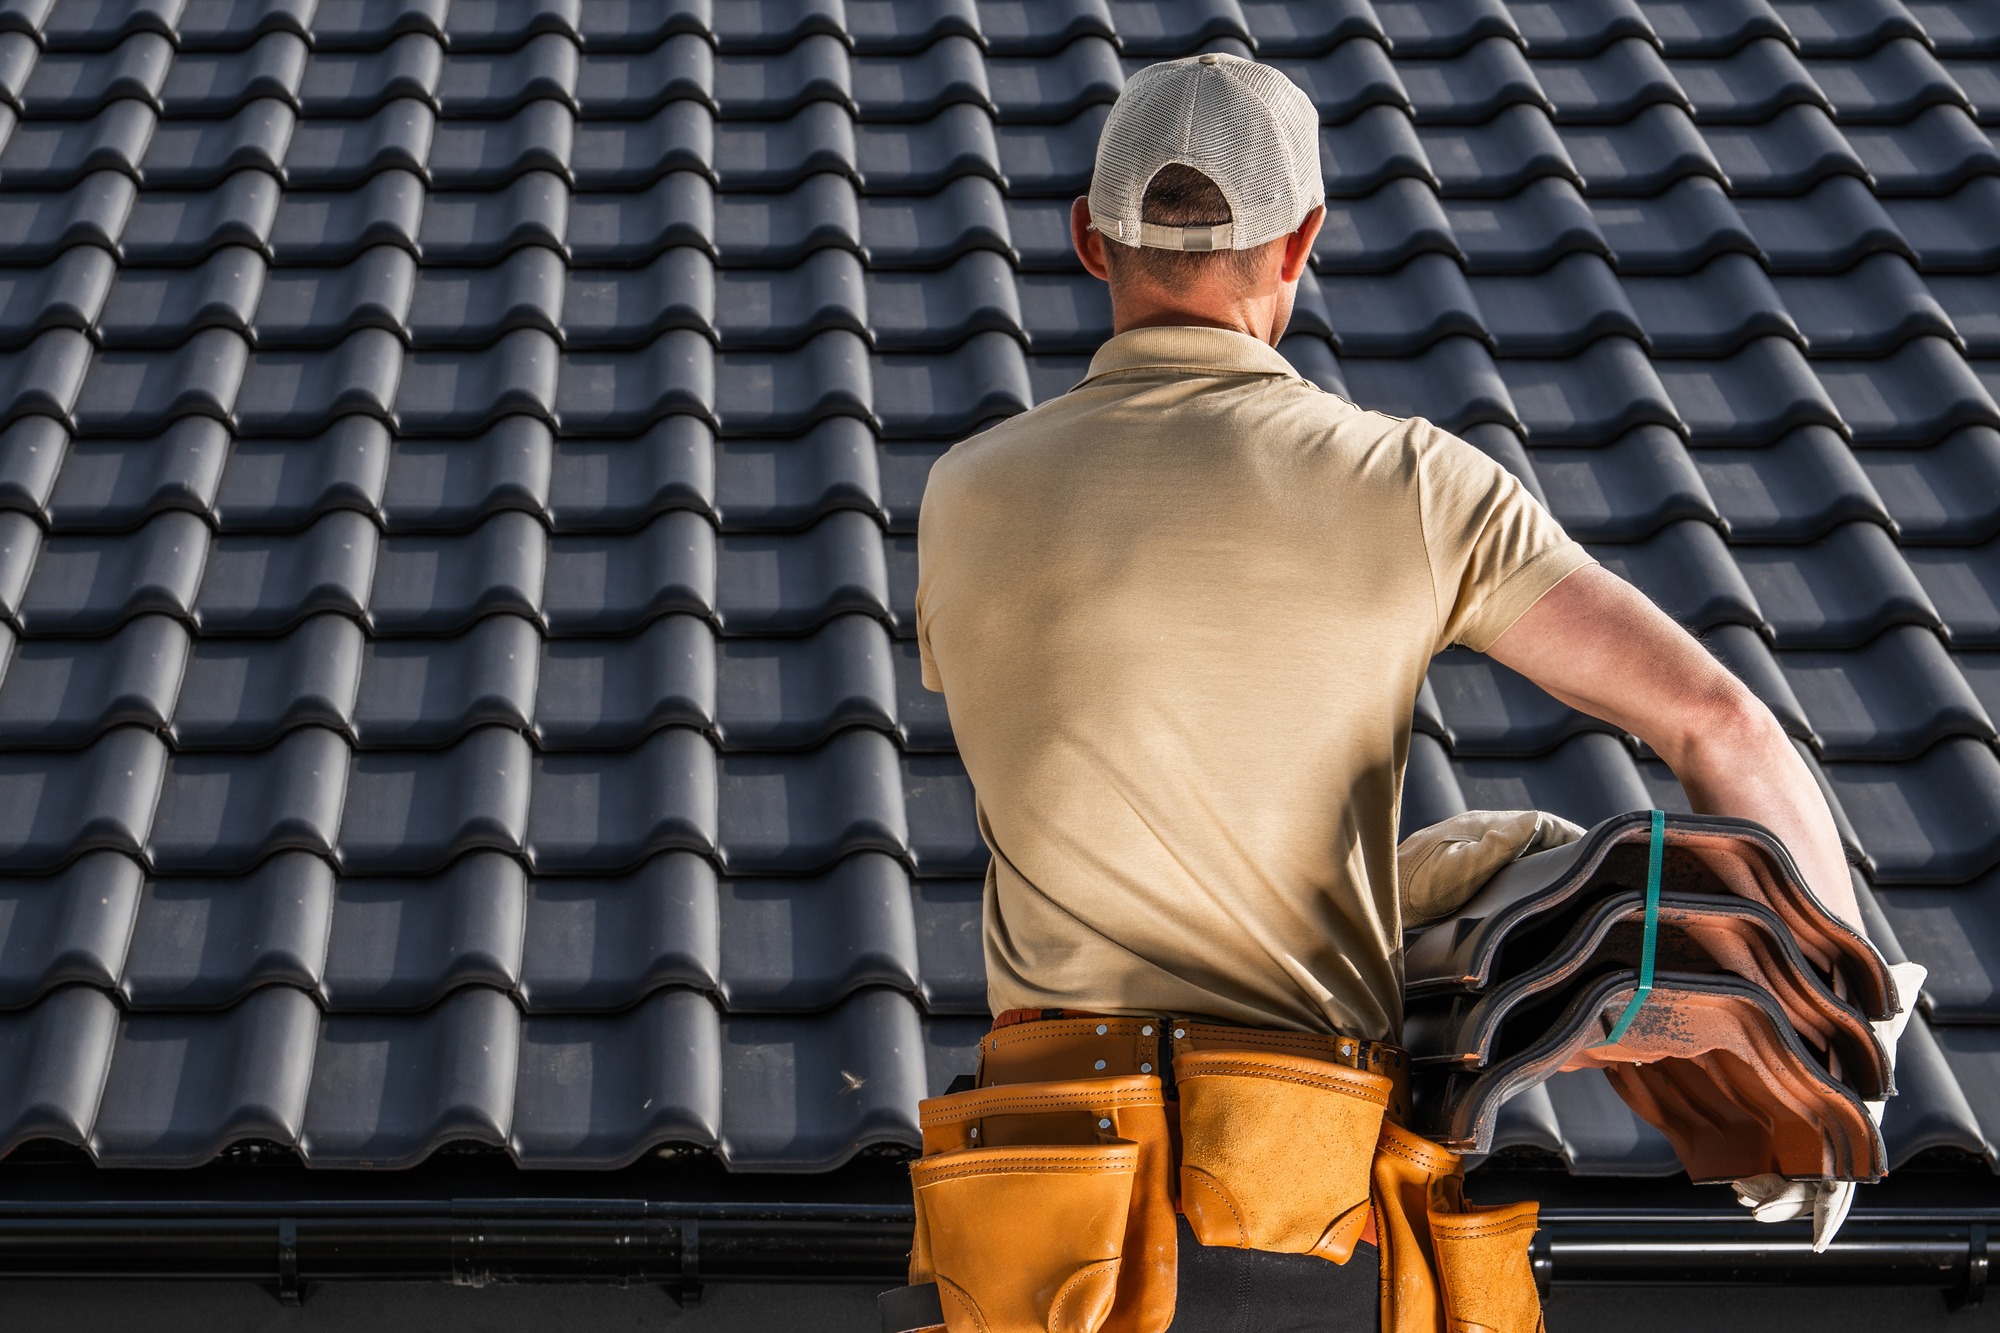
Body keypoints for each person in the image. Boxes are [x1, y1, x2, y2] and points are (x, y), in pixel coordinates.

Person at [894, 52, 1864, 1333]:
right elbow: (1719, 722)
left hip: (1040, 1227)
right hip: (1296, 1209)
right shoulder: (1408, 484)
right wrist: (1836, 1047)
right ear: (1300, 242)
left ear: (1089, 240)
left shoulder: (965, 494)